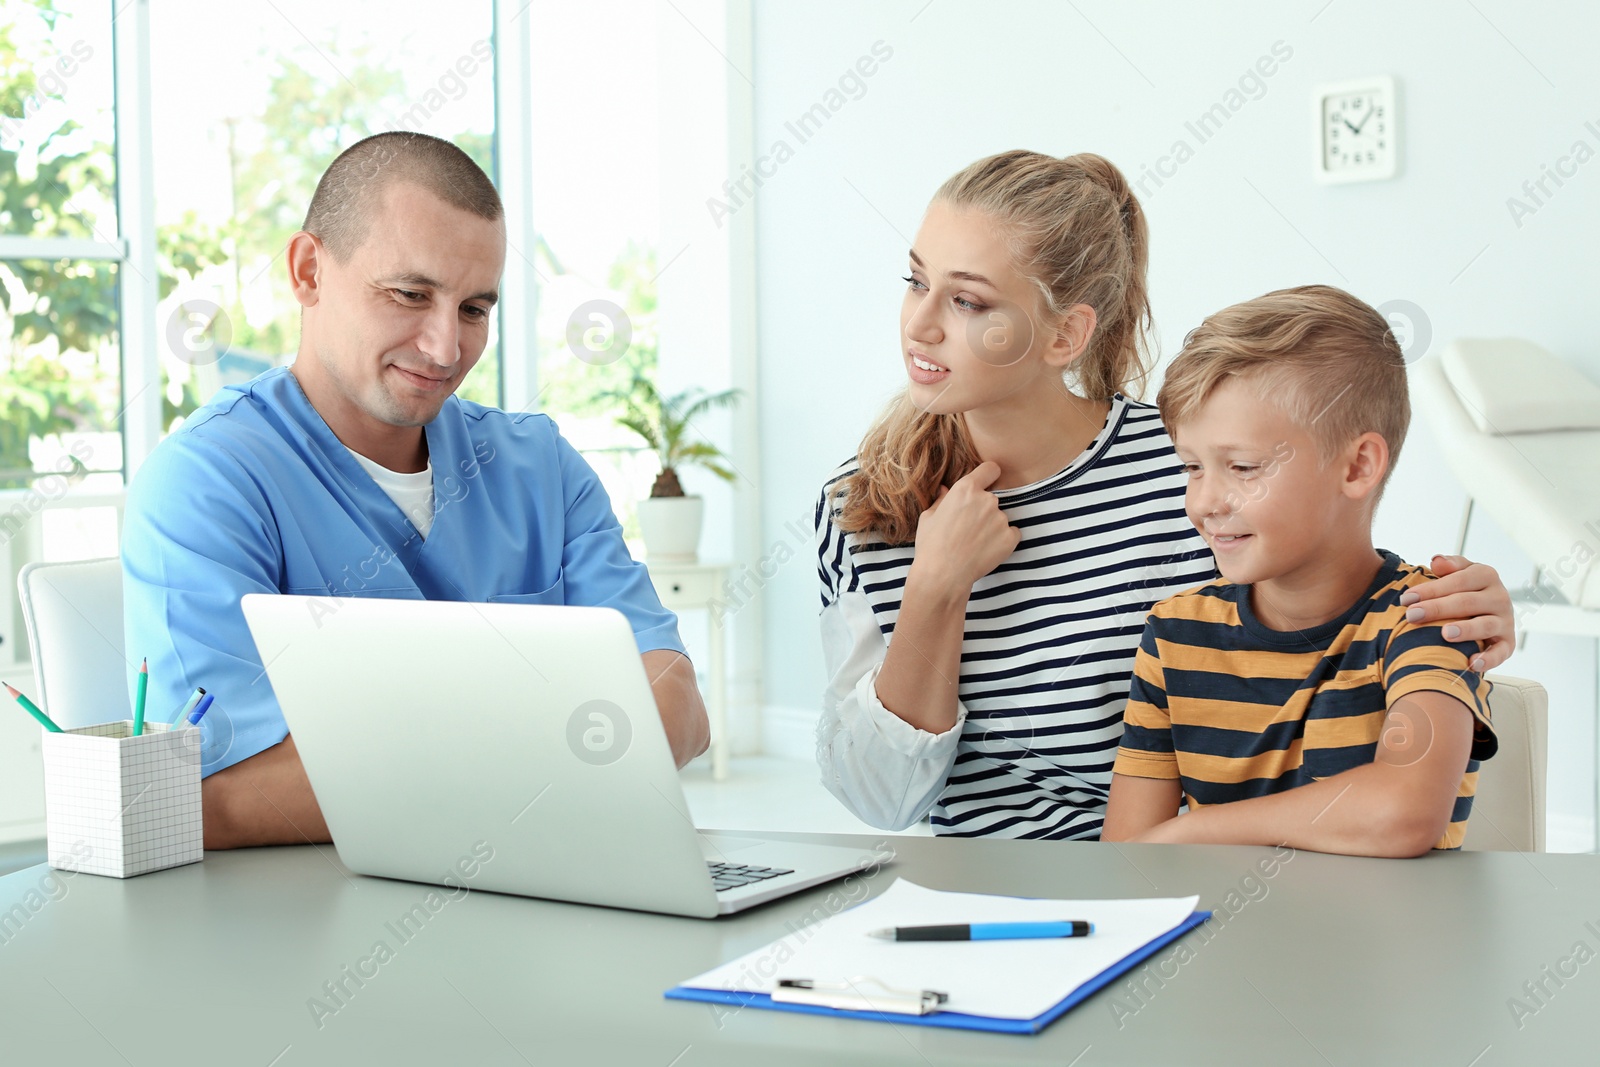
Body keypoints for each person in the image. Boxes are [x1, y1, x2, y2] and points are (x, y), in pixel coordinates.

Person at [815, 149, 1515, 839]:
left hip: (1183, 893)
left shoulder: (1190, 469)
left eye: (967, 300)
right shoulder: (860, 508)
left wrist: (1462, 612)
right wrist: (934, 588)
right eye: (915, 281)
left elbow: (1334, 606)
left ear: (1066, 334)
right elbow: (880, 801)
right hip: (992, 900)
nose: (920, 323)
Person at [123, 132, 708, 850]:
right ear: (309, 271)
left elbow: (676, 703)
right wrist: (561, 741)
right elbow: (221, 792)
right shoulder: (208, 482)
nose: (444, 348)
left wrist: (431, 763)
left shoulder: (540, 467)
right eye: (410, 294)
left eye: (473, 310)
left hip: (553, 902)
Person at [1100, 286, 1496, 855]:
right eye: (1192, 467)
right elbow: (1129, 854)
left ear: (1357, 466)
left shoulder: (1429, 617)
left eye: (1242, 467)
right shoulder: (1174, 633)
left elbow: (1404, 811)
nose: (1206, 500)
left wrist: (1192, 829)